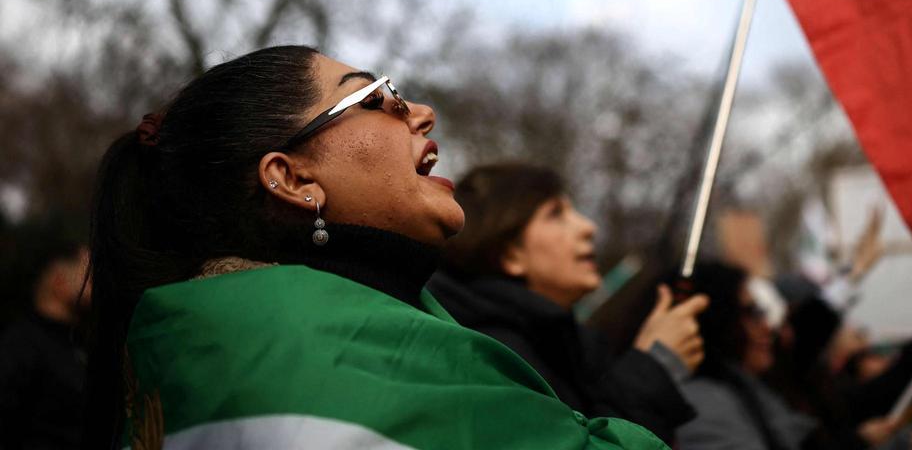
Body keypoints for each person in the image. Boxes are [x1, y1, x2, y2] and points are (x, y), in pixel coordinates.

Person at [85, 45, 668, 449]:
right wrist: (652, 379)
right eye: (375, 97)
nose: (419, 112)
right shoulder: (311, 355)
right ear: (292, 179)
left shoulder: (228, 343)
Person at [428, 163, 707, 444]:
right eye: (555, 214)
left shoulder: (568, 347)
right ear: (510, 254)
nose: (588, 227)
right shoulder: (492, 360)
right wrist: (653, 369)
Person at [674, 260, 820, 450]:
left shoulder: (748, 387)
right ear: (717, 320)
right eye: (752, 313)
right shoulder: (703, 404)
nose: (769, 328)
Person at [0, 217, 91, 449]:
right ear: (59, 283)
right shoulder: (20, 347)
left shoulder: (82, 342)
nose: (98, 281)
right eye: (88, 273)